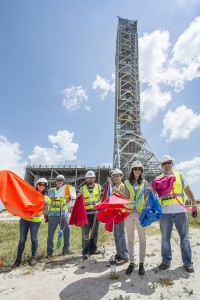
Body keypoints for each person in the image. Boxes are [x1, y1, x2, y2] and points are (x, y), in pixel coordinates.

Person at [155, 155, 197, 273]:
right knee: (165, 238)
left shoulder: (180, 175)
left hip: (180, 212)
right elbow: (153, 193)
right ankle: (166, 261)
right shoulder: (158, 178)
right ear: (161, 166)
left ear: (172, 163)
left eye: (169, 162)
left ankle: (187, 263)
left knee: (184, 238)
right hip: (165, 213)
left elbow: (187, 190)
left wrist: (194, 201)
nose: (167, 165)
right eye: (164, 163)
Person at [13, 178, 48, 268]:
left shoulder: (45, 198)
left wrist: (46, 204)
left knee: (34, 239)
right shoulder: (30, 194)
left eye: (44, 185)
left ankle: (33, 258)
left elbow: (45, 212)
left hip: (35, 222)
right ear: (37, 185)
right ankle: (18, 259)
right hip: (24, 220)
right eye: (40, 184)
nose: (42, 186)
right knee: (22, 240)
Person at [123, 160, 149, 276]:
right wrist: (118, 192)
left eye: (139, 169)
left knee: (142, 239)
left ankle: (142, 263)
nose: (137, 171)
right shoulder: (126, 183)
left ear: (141, 170)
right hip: (128, 214)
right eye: (135, 169)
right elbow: (125, 197)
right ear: (132, 170)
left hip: (140, 213)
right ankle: (132, 262)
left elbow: (145, 198)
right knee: (130, 239)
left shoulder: (144, 182)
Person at [78, 170, 102, 259]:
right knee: (85, 234)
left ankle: (93, 249)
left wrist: (99, 203)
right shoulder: (81, 189)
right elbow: (78, 200)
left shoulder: (99, 187)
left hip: (96, 213)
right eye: (88, 178)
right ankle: (85, 252)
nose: (90, 179)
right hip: (86, 214)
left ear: (94, 178)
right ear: (86, 178)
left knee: (95, 233)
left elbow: (103, 198)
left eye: (92, 177)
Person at [47, 174, 73, 257]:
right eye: (57, 180)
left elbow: (69, 200)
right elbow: (52, 198)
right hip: (53, 215)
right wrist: (63, 196)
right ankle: (50, 252)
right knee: (51, 233)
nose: (59, 181)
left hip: (64, 214)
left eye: (61, 180)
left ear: (63, 182)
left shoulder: (66, 191)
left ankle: (66, 250)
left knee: (67, 231)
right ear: (55, 181)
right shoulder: (52, 190)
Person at [111, 168, 129, 263]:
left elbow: (126, 198)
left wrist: (119, 192)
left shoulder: (123, 186)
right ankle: (119, 253)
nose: (115, 177)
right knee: (116, 235)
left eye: (117, 175)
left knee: (121, 234)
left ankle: (125, 255)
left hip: (120, 213)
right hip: (114, 213)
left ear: (121, 176)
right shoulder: (114, 187)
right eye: (114, 176)